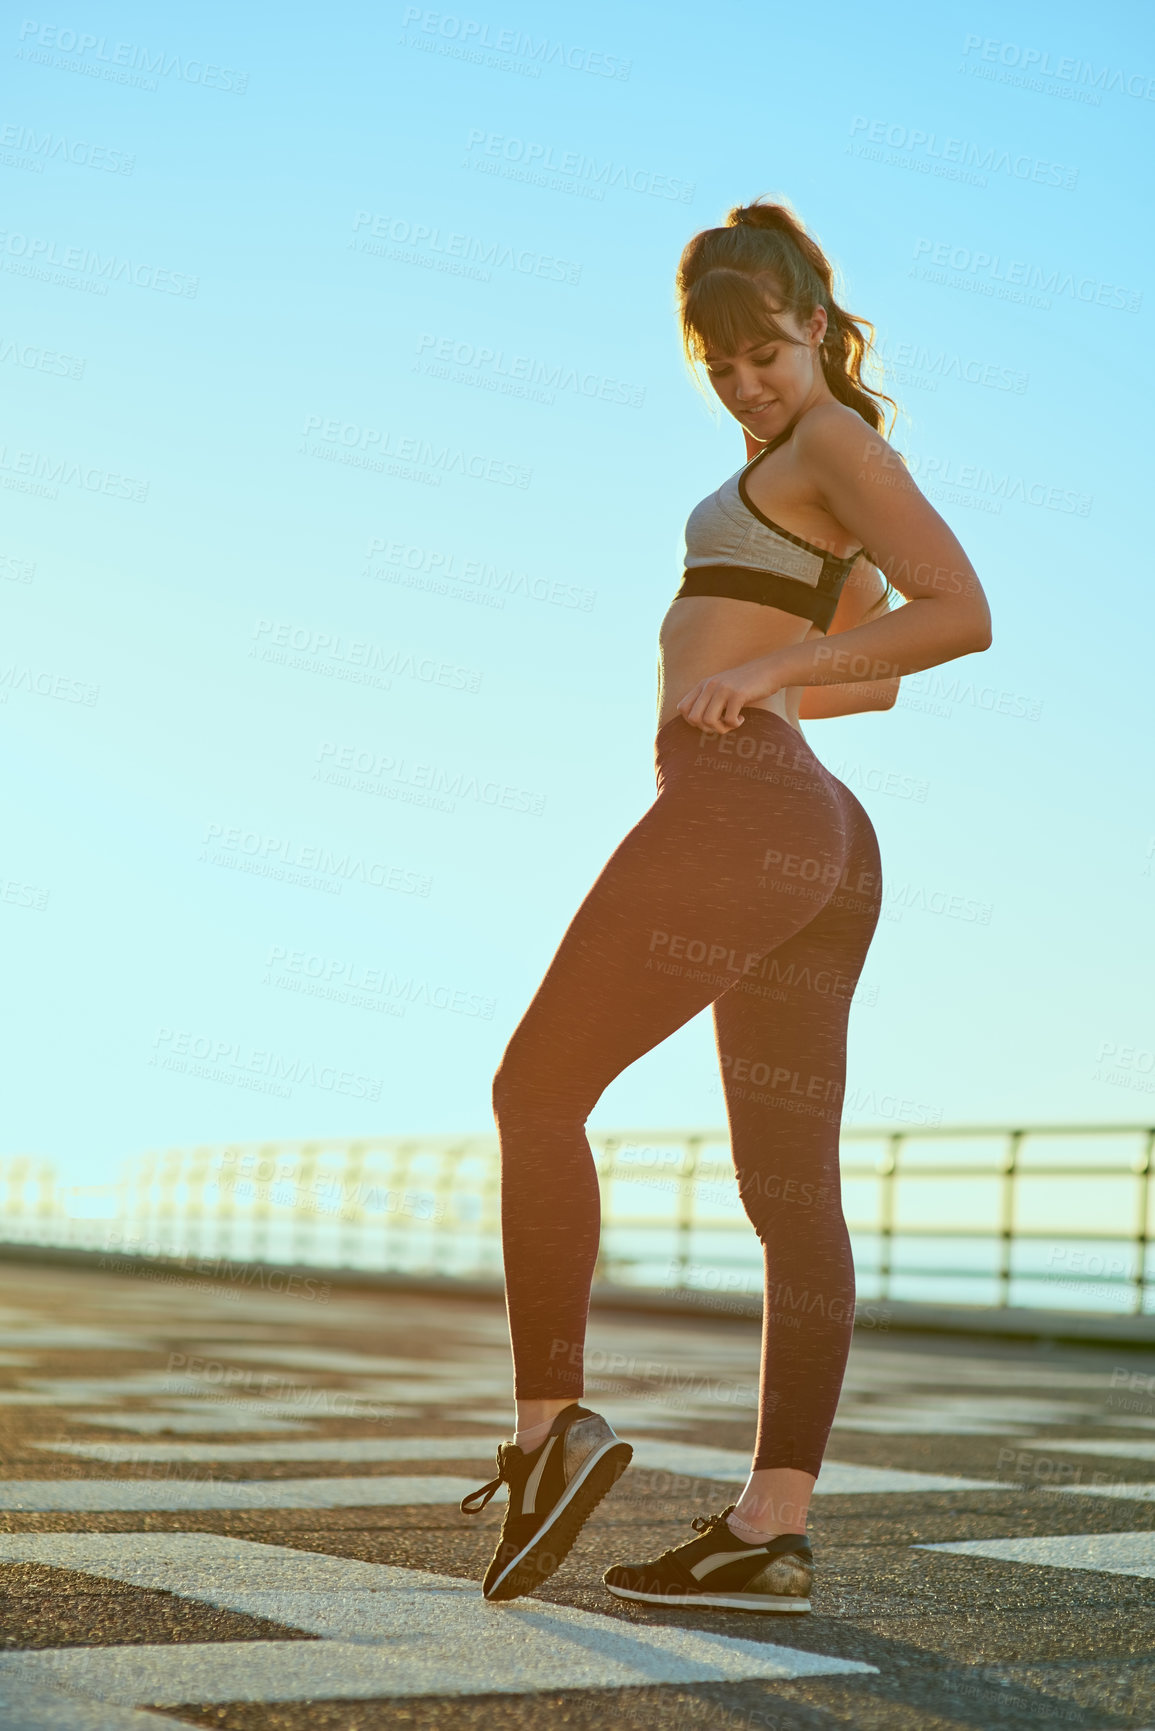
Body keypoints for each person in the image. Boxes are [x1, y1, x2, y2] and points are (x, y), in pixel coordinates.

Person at [461, 198, 992, 1611]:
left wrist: (756, 683)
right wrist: (797, 667)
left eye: (766, 347)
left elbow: (960, 612)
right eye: (722, 362)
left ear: (815, 325)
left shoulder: (830, 445)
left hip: (749, 805)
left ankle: (544, 1430)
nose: (748, 380)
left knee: (534, 1092)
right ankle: (769, 1530)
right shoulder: (799, 463)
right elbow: (870, 661)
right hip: (813, 834)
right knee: (786, 1189)